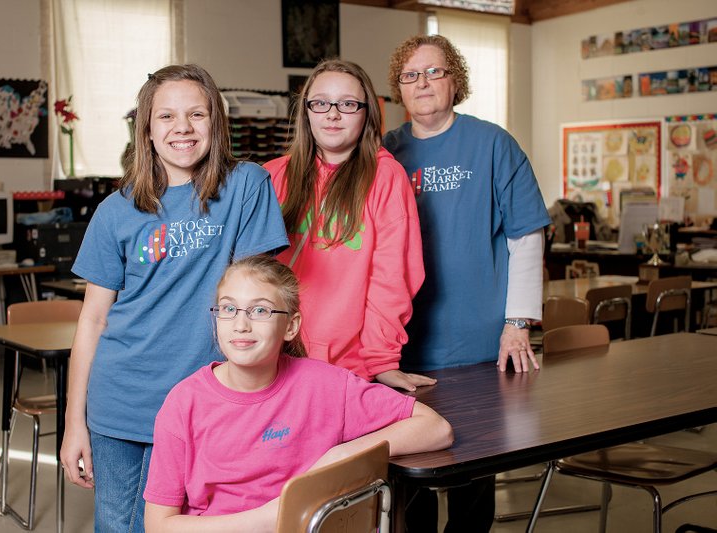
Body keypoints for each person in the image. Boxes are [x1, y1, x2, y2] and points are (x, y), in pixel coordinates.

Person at [59, 64, 289, 532]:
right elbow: (93, 322)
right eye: (166, 116)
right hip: (122, 403)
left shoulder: (246, 186)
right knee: (121, 527)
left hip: (207, 404)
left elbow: (254, 296)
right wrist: (73, 424)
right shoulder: (115, 211)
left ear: (215, 124)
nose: (182, 128)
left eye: (196, 114)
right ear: (146, 128)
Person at [143, 255, 455, 532]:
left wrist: (342, 455)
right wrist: (269, 519)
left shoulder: (326, 385)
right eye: (228, 308)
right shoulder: (184, 404)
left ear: (291, 326)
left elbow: (436, 428)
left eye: (260, 311)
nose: (240, 324)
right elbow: (159, 525)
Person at [382, 35, 551, 532]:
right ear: (399, 89)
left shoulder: (494, 144)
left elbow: (526, 236)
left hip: (478, 342)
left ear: (456, 80)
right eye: (411, 75)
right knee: (410, 480)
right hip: (403, 345)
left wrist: (517, 323)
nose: (424, 83)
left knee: (473, 474)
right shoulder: (385, 151)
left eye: (435, 72)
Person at [264, 59, 433, 391]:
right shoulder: (270, 176)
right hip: (270, 360)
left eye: (348, 104)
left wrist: (382, 360)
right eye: (321, 102)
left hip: (345, 368)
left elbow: (391, 278)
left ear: (367, 113)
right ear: (306, 111)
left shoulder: (386, 177)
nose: (332, 113)